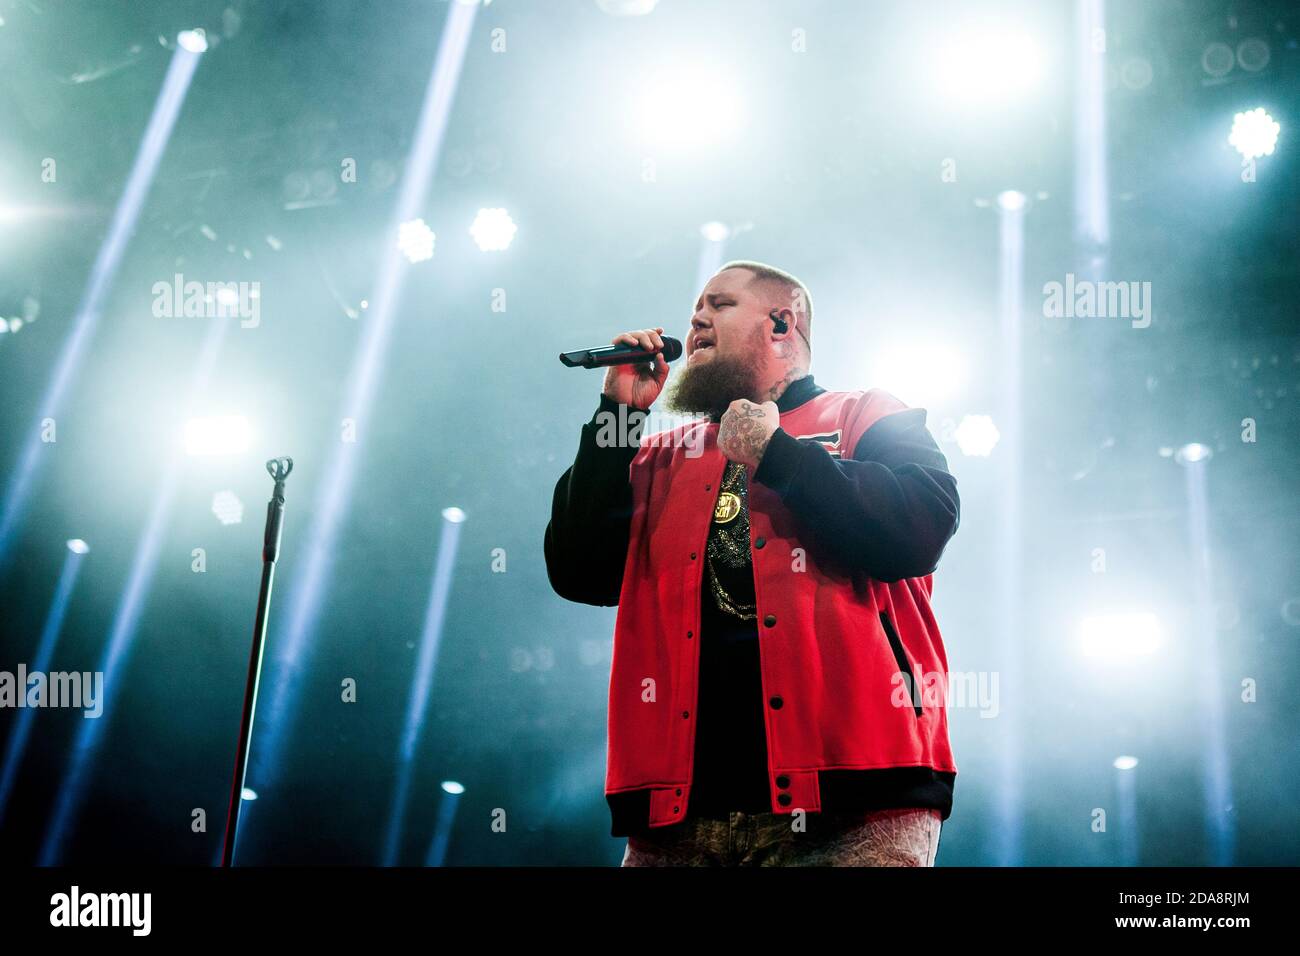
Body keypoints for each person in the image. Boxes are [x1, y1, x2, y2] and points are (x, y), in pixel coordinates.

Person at [544, 261, 960, 866]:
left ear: (781, 323)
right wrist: (619, 417)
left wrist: (779, 455)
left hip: (852, 799)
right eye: (695, 310)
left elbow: (921, 525)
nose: (696, 319)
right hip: (677, 815)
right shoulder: (659, 455)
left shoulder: (862, 413)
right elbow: (580, 571)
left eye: (719, 304)